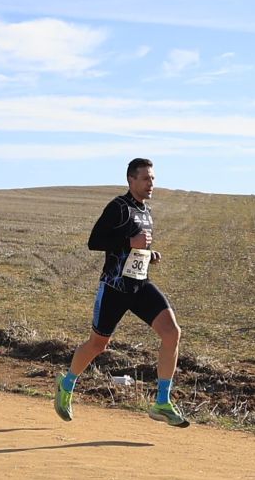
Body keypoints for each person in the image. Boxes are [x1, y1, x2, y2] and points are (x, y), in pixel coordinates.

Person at [54, 158, 189, 427]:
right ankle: (66, 384)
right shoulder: (118, 207)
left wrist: (149, 254)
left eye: (153, 178)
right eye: (145, 178)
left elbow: (135, 250)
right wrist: (130, 242)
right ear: (131, 180)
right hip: (115, 288)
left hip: (140, 285)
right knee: (98, 345)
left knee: (172, 332)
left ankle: (162, 402)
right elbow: (95, 241)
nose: (151, 183)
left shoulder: (146, 212)